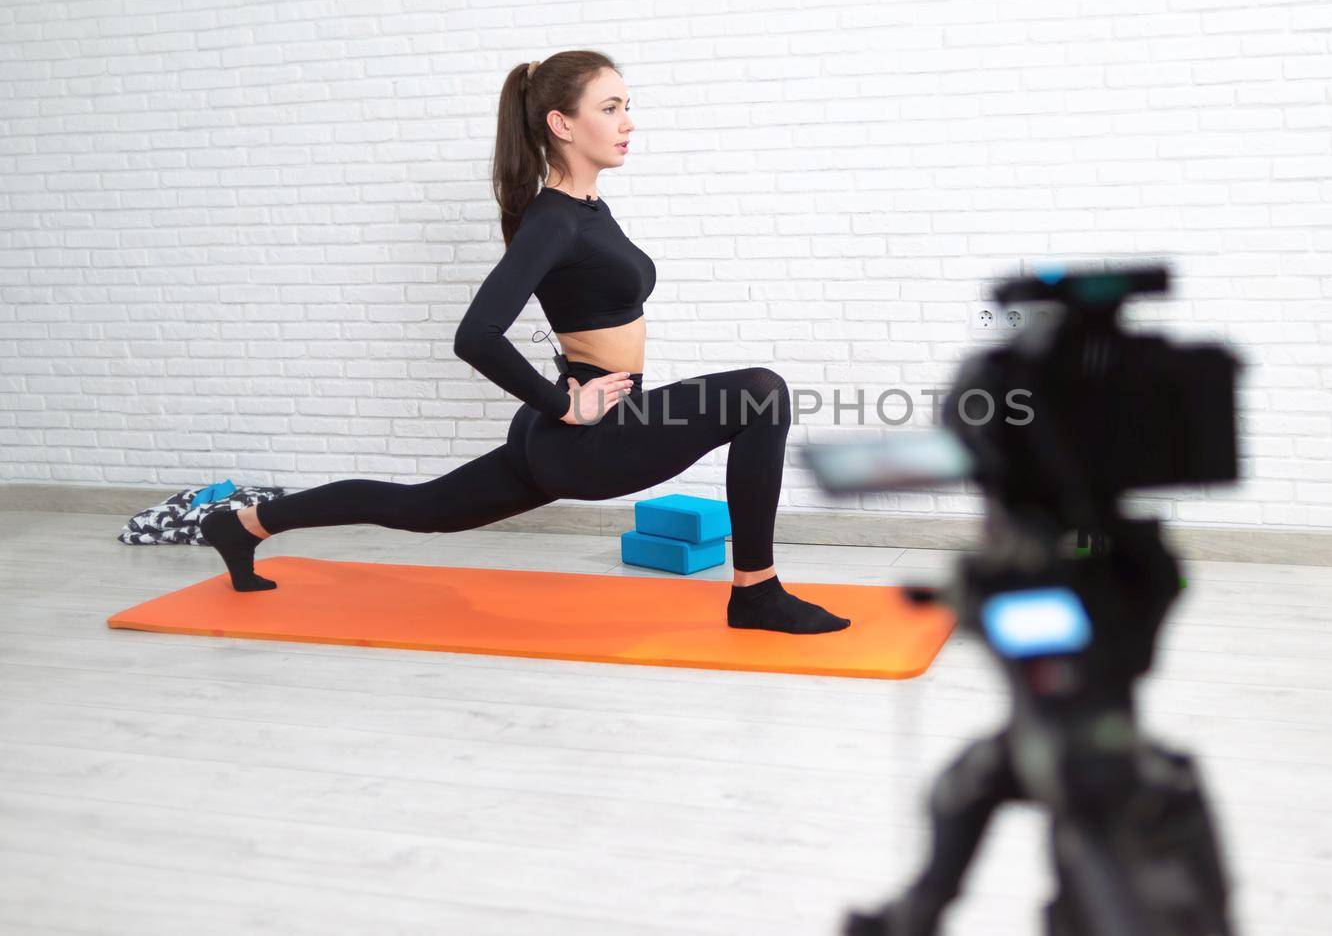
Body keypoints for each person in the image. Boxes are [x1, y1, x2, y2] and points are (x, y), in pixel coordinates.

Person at [200, 50, 850, 634]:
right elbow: (475, 335)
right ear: (563, 125)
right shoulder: (553, 221)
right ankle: (756, 595)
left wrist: (562, 401)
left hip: (570, 432)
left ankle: (243, 524)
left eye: (629, 106)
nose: (628, 122)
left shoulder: (587, 207)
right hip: (585, 438)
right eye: (611, 107)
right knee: (759, 393)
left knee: (421, 508)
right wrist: (563, 403)